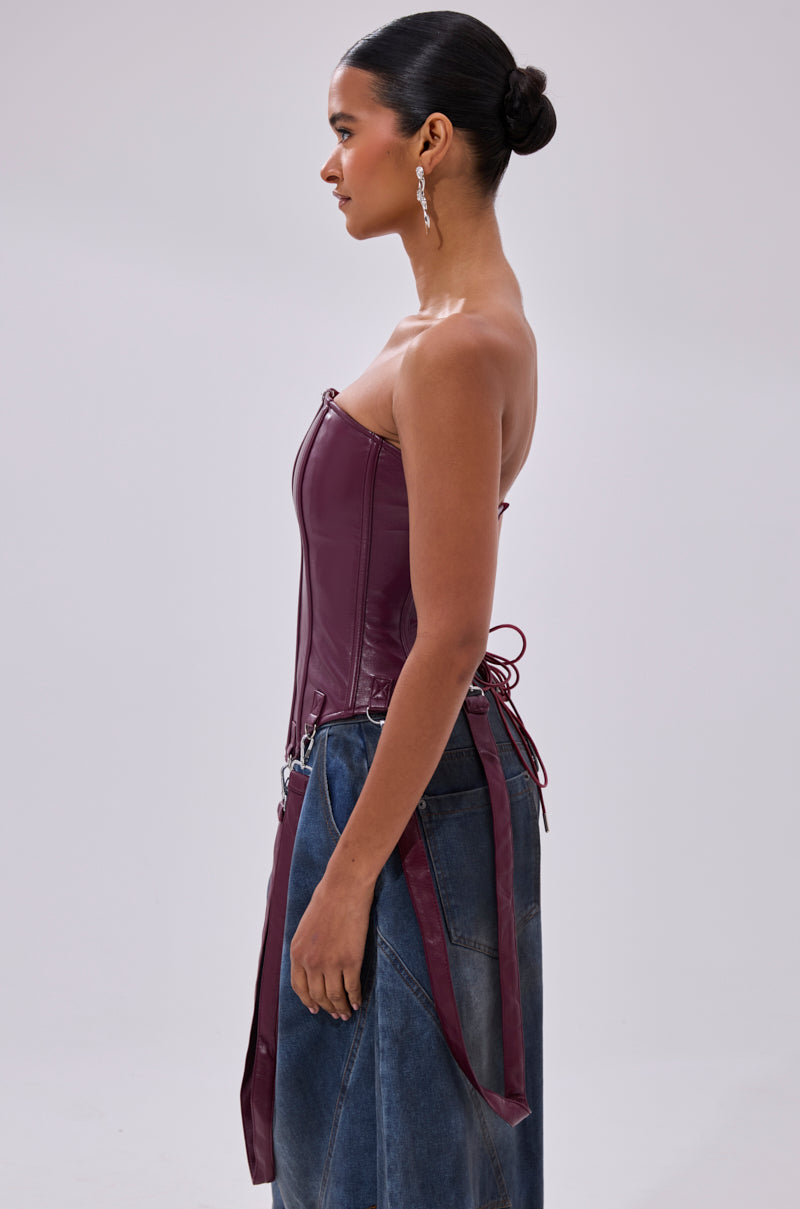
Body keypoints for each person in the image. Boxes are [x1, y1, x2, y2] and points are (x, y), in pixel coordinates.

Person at [240, 11, 557, 1208]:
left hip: (403, 791)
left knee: (412, 1160)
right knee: (360, 1149)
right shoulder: (433, 337)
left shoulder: (456, 351)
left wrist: (343, 879)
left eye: (344, 132)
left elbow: (451, 632)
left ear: (426, 140)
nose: (328, 164)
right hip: (378, 777)